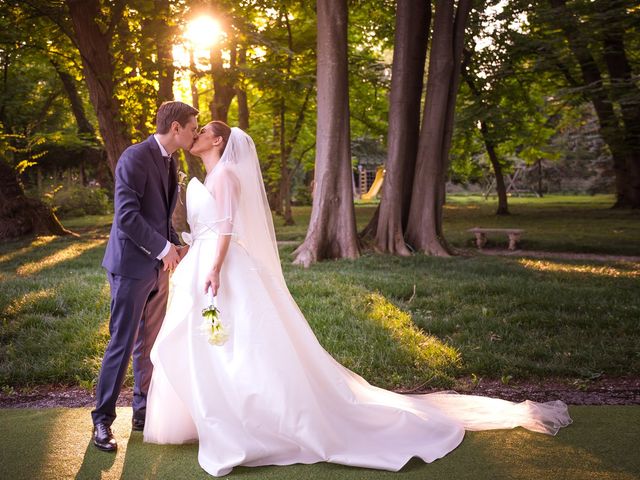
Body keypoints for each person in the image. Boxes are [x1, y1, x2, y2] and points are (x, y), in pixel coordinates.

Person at [144, 122, 571, 476]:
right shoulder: (206, 176)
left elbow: (227, 230)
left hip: (222, 266)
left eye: (202, 132)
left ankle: (254, 422)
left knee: (242, 345)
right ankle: (214, 414)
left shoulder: (228, 177)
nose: (195, 136)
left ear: (218, 141)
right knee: (213, 344)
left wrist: (215, 268)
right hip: (201, 261)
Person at [93, 101, 199, 452]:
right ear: (175, 129)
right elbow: (126, 216)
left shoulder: (172, 164)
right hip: (129, 267)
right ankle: (103, 422)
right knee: (122, 344)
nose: (195, 132)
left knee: (149, 345)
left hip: (158, 269)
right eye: (192, 127)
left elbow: (161, 216)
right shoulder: (135, 157)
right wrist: (162, 248)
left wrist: (173, 245)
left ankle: (142, 412)